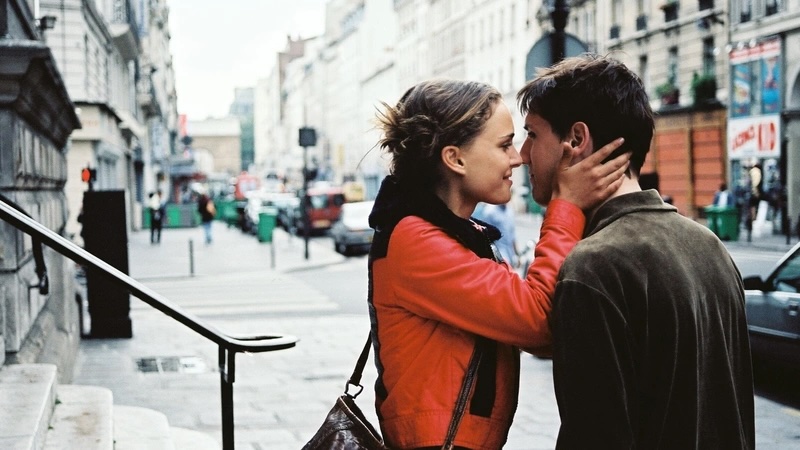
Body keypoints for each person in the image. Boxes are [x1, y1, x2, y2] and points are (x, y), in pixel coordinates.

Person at [367, 78, 630, 449]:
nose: (518, 158)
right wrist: (566, 206)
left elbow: (535, 336)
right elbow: (539, 321)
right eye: (504, 144)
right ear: (455, 158)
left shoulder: (455, 233)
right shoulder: (416, 240)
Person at [516, 54, 755, 449]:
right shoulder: (710, 246)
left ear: (576, 140)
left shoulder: (592, 267)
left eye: (532, 135)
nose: (523, 154)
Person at [474, 202, 518, 267]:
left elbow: (512, 235)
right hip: (499, 256)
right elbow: (484, 236)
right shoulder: (490, 212)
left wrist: (516, 254)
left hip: (510, 254)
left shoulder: (510, 211)